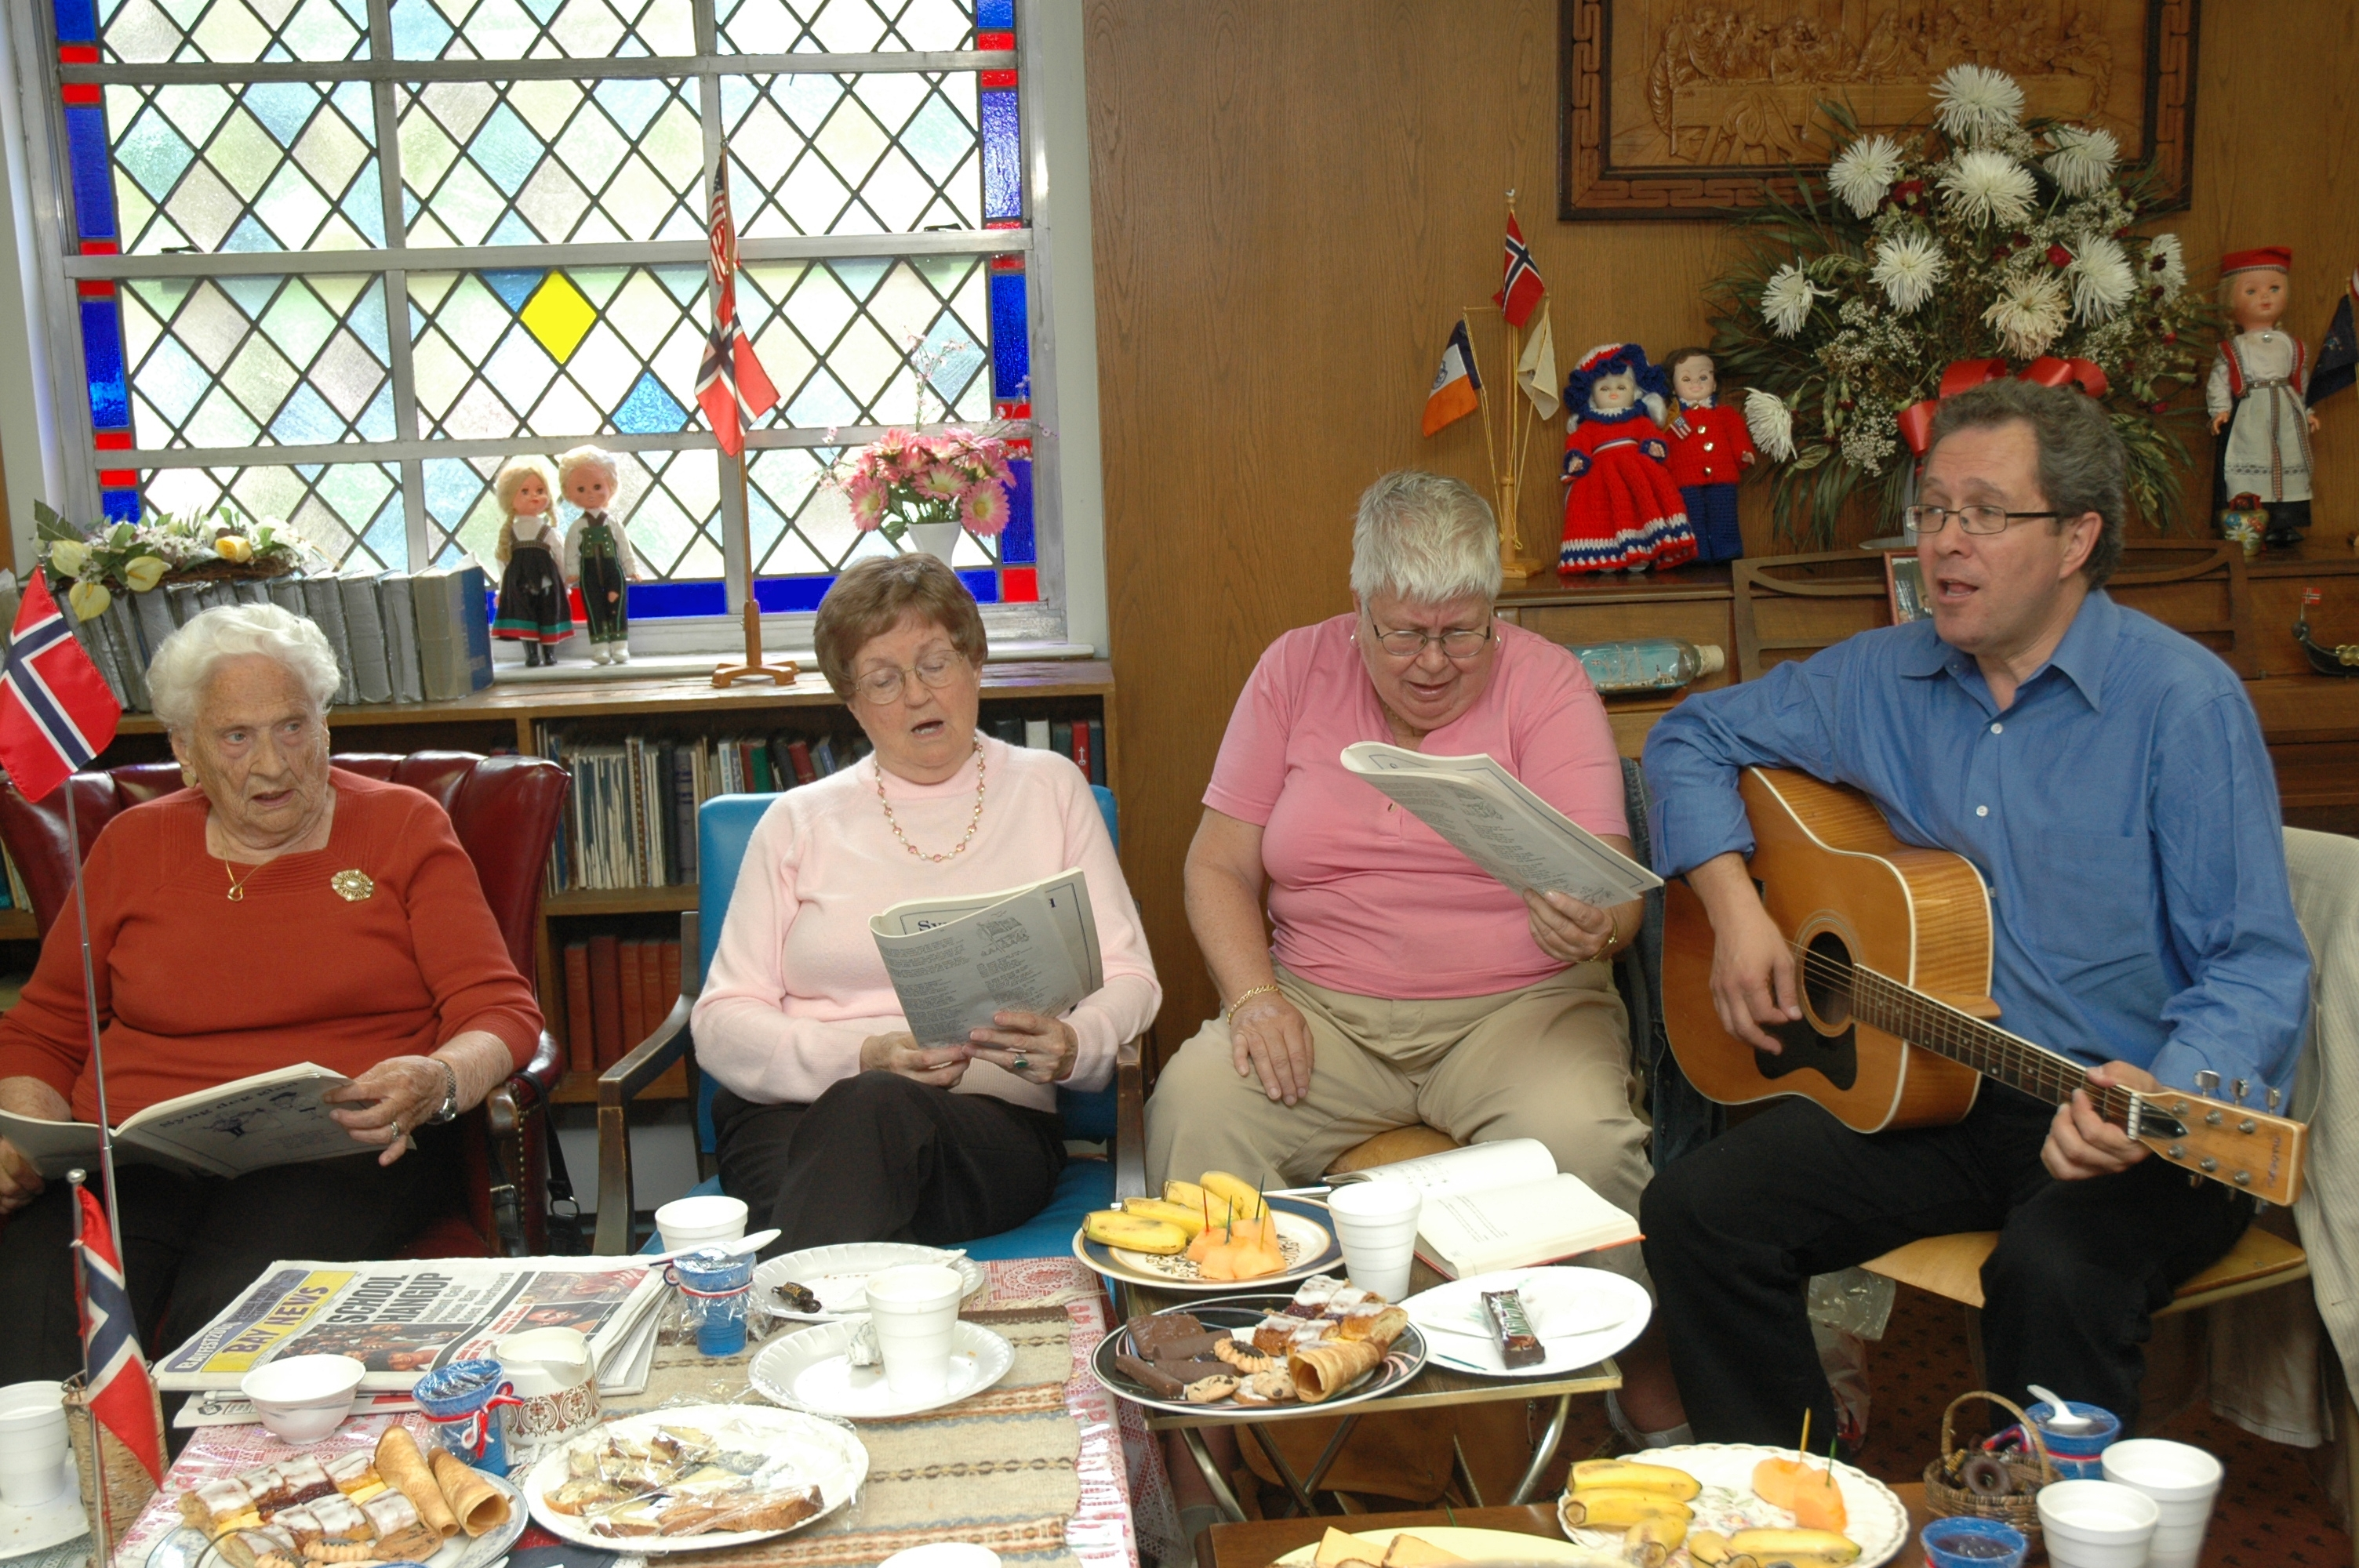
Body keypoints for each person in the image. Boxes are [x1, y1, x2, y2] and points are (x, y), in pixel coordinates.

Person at [1640, 378, 2312, 1446]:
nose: (1944, 543)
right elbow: (1688, 736)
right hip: (1945, 1088)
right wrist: (1734, 908)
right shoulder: (1882, 675)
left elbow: (2255, 965)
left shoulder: (2181, 703)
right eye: (1933, 509)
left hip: (2130, 1115)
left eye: (1985, 514)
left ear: (2075, 538)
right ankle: (1796, 1504)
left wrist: (2162, 1094)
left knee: (2052, 1270)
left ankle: (2051, 1524)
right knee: (1696, 1211)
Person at [1144, 470, 1687, 1438]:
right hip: (1322, 1008)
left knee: (1588, 1141)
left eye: (1461, 633)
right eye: (1402, 633)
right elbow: (1216, 864)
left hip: (1519, 1009)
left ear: (1492, 612)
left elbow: (1614, 895)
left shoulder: (1545, 682)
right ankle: (1221, 1412)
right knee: (1194, 1103)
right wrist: (1255, 996)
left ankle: (1636, 1389)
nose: (1432, 662)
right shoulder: (1292, 668)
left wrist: (1595, 922)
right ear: (1358, 609)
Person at [0, 605, 544, 1385]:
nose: (271, 764)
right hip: (136, 1155)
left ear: (325, 726)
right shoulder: (133, 845)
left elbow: (499, 1009)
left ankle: (197, 1466)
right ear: (185, 749)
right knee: (38, 1296)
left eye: (292, 727)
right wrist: (24, 1138)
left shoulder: (401, 826)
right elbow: (45, 1029)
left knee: (234, 1308)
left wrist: (438, 1077)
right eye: (235, 736)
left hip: (336, 1147)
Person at [692, 554, 1158, 1256]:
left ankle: (788, 1304)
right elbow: (722, 1022)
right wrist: (862, 1055)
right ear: (852, 703)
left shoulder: (1051, 791)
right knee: (865, 1122)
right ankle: (875, 1299)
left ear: (976, 665)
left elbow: (1130, 977)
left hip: (984, 1128)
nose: (917, 694)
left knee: (871, 1121)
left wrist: (1076, 1044)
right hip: (792, 1117)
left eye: (936, 664)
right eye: (883, 679)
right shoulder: (796, 822)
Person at [2207, 245, 2319, 549]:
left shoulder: (2291, 344)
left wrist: (2307, 410)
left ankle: (2285, 523)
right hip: (2252, 414)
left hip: (2288, 414)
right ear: (2230, 300)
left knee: (2289, 464)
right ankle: (2256, 525)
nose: (2265, 297)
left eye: (2274, 288)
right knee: (2256, 464)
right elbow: (2219, 380)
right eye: (2252, 291)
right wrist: (2220, 410)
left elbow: (2300, 381)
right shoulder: (2235, 347)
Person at [1661, 347, 1756, 564]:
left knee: (1724, 514)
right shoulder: (1671, 420)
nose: (1696, 383)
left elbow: (1737, 435)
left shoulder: (1725, 414)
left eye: (1703, 377)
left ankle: (1727, 551)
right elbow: (1665, 446)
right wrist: (1665, 466)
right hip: (1685, 479)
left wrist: (1743, 453)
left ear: (1714, 384)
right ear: (1673, 387)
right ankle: (1696, 553)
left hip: (1722, 475)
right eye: (1686, 379)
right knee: (1691, 515)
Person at [491, 454, 574, 666]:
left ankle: (549, 653)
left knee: (548, 611)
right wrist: (503, 589)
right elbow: (503, 562)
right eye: (525, 491)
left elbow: (560, 556)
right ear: (509, 497)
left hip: (547, 581)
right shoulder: (510, 533)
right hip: (519, 582)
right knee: (524, 614)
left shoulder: (547, 531)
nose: (534, 497)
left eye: (540, 490)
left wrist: (564, 582)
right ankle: (532, 654)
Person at [560, 445, 638, 664]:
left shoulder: (613, 523)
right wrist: (572, 572)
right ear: (569, 492)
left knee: (617, 604)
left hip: (613, 570)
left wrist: (630, 568)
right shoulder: (578, 527)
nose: (590, 494)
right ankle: (600, 647)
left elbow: (624, 546)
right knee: (594, 607)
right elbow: (570, 550)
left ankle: (620, 645)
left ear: (610, 486)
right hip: (589, 574)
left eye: (597, 486)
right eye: (581, 489)